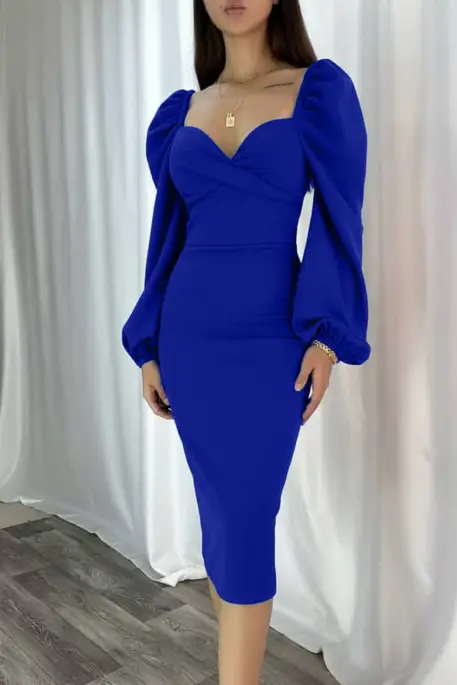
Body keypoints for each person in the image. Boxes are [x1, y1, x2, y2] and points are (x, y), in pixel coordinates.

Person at [122, 0, 371, 682]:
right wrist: (149, 343)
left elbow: (340, 221)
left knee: (245, 519)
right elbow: (167, 238)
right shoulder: (181, 112)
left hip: (270, 342)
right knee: (222, 518)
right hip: (190, 339)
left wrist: (326, 337)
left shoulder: (317, 93)